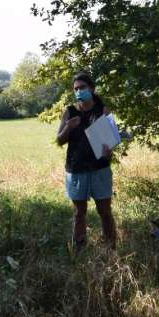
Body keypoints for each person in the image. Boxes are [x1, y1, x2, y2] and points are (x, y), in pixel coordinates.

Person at [56, 72, 117, 249]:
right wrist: (68, 127)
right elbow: (59, 140)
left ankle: (111, 248)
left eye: (82, 87)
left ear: (92, 88)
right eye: (76, 89)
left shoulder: (103, 110)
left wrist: (108, 151)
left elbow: (111, 142)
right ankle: (79, 249)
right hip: (76, 169)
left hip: (100, 168)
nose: (79, 91)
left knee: (105, 211)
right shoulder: (70, 112)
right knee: (79, 212)